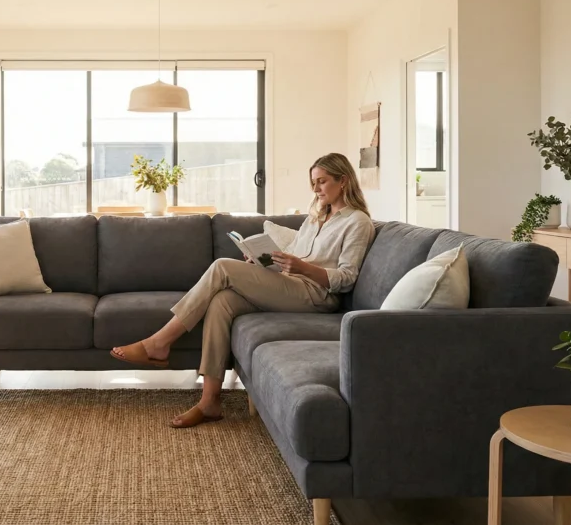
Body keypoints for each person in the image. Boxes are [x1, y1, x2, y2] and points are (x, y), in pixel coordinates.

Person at [110, 152, 376, 428]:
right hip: (290, 284)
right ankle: (210, 401)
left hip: (316, 295)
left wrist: (301, 268)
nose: (316, 189)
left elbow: (346, 278)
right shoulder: (315, 217)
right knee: (222, 302)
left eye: (322, 182)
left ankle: (159, 343)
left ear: (343, 181)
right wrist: (266, 261)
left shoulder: (357, 222)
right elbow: (294, 256)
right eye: (313, 183)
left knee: (223, 267)